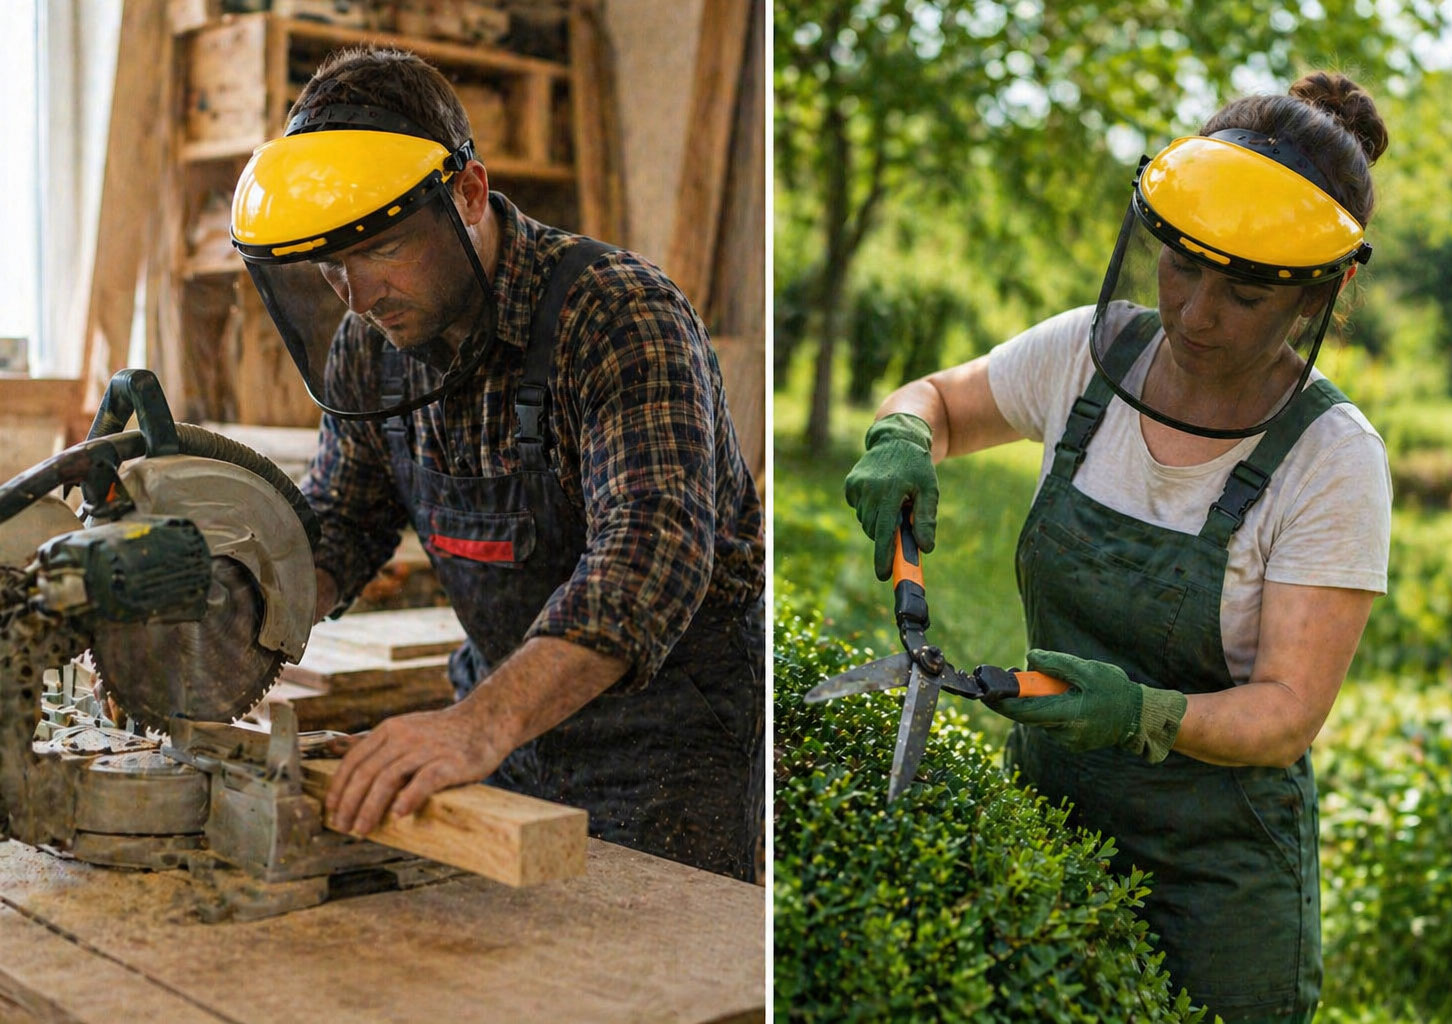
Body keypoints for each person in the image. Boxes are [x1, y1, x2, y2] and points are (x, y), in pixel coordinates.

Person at [843, 72, 1391, 1021]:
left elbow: (1288, 714)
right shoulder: (1089, 356)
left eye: (1245, 293)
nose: (1196, 313)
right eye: (1180, 265)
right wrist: (900, 436)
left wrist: (1144, 711)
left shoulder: (1333, 460)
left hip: (1216, 895)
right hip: (1048, 827)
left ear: (1318, 295)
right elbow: (934, 400)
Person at [228, 47, 764, 881]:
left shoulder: (619, 314)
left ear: (470, 193)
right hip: (508, 737)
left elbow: (645, 560)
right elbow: (339, 524)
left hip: (671, 749)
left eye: (384, 250)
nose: (358, 296)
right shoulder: (372, 350)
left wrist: (478, 724)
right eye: (331, 266)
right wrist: (235, 613)